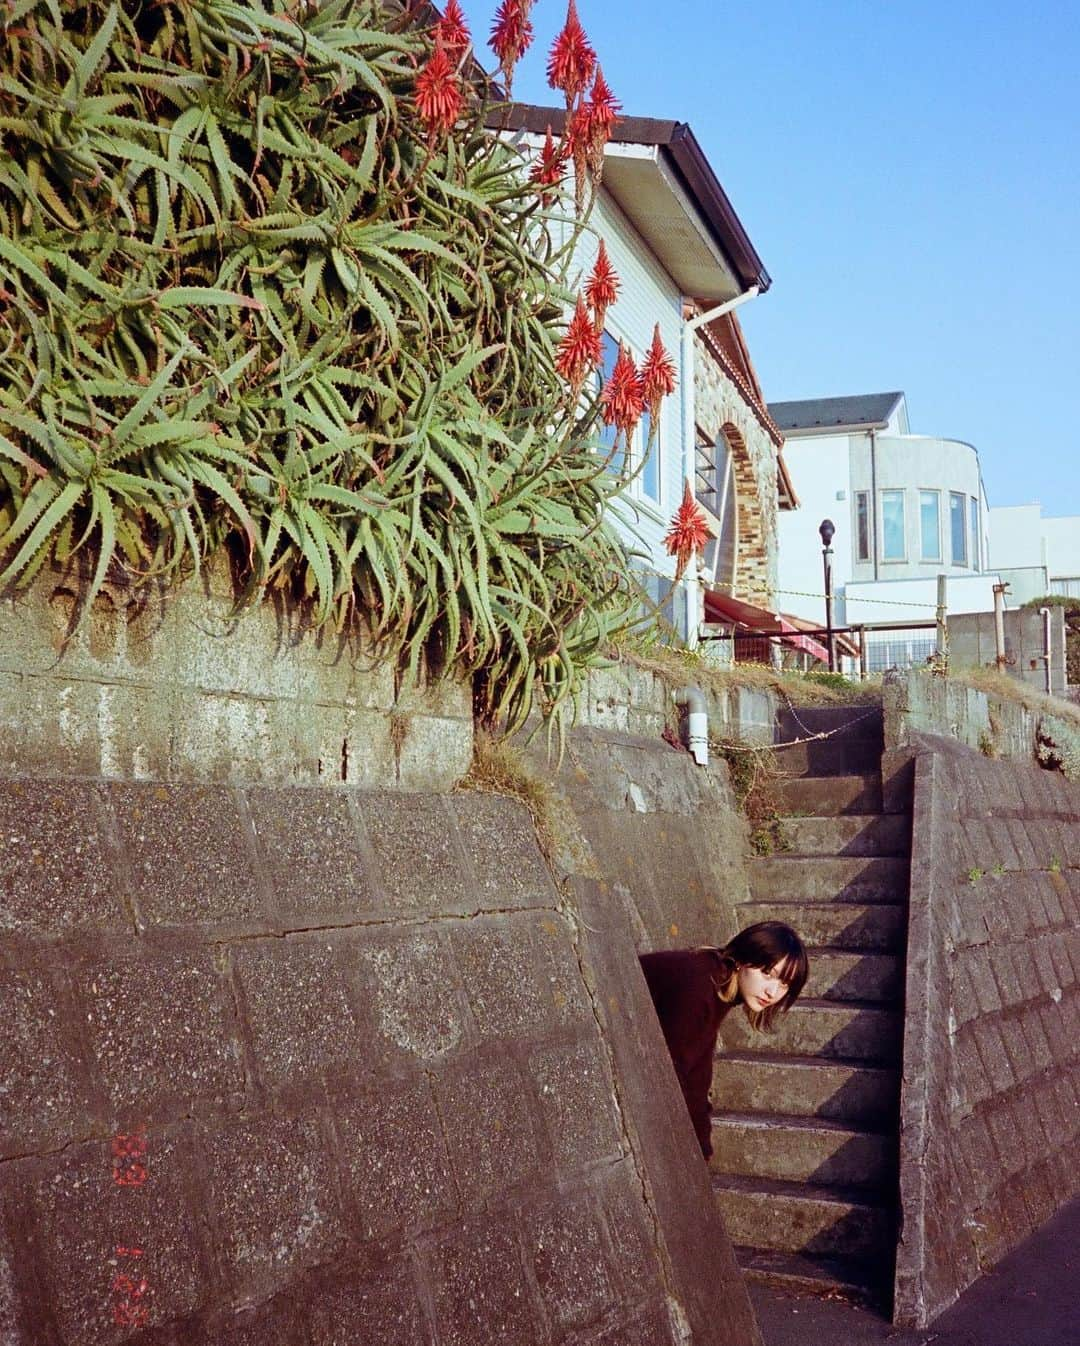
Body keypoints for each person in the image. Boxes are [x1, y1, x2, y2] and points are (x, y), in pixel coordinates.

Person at [639, 921, 808, 1160]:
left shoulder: (717, 984)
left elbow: (698, 1070)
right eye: (767, 973)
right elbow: (675, 1070)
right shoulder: (700, 984)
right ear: (741, 959)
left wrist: (702, 1145)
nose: (773, 992)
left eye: (784, 985)